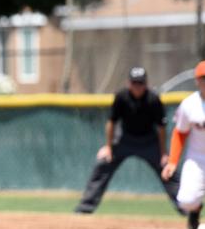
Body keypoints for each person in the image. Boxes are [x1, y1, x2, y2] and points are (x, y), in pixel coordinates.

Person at [74, 67, 182, 215]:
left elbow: (161, 128)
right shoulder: (121, 97)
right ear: (128, 83)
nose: (137, 87)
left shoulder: (153, 99)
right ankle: (85, 208)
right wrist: (109, 147)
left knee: (167, 169)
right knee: (103, 163)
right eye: (134, 83)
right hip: (125, 139)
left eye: (141, 83)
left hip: (149, 141)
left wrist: (163, 153)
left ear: (146, 84)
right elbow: (111, 122)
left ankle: (187, 208)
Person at [161, 61, 205, 229]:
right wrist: (172, 161)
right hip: (197, 158)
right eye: (203, 78)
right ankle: (195, 211)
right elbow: (180, 134)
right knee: (186, 201)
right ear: (197, 81)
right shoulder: (189, 104)